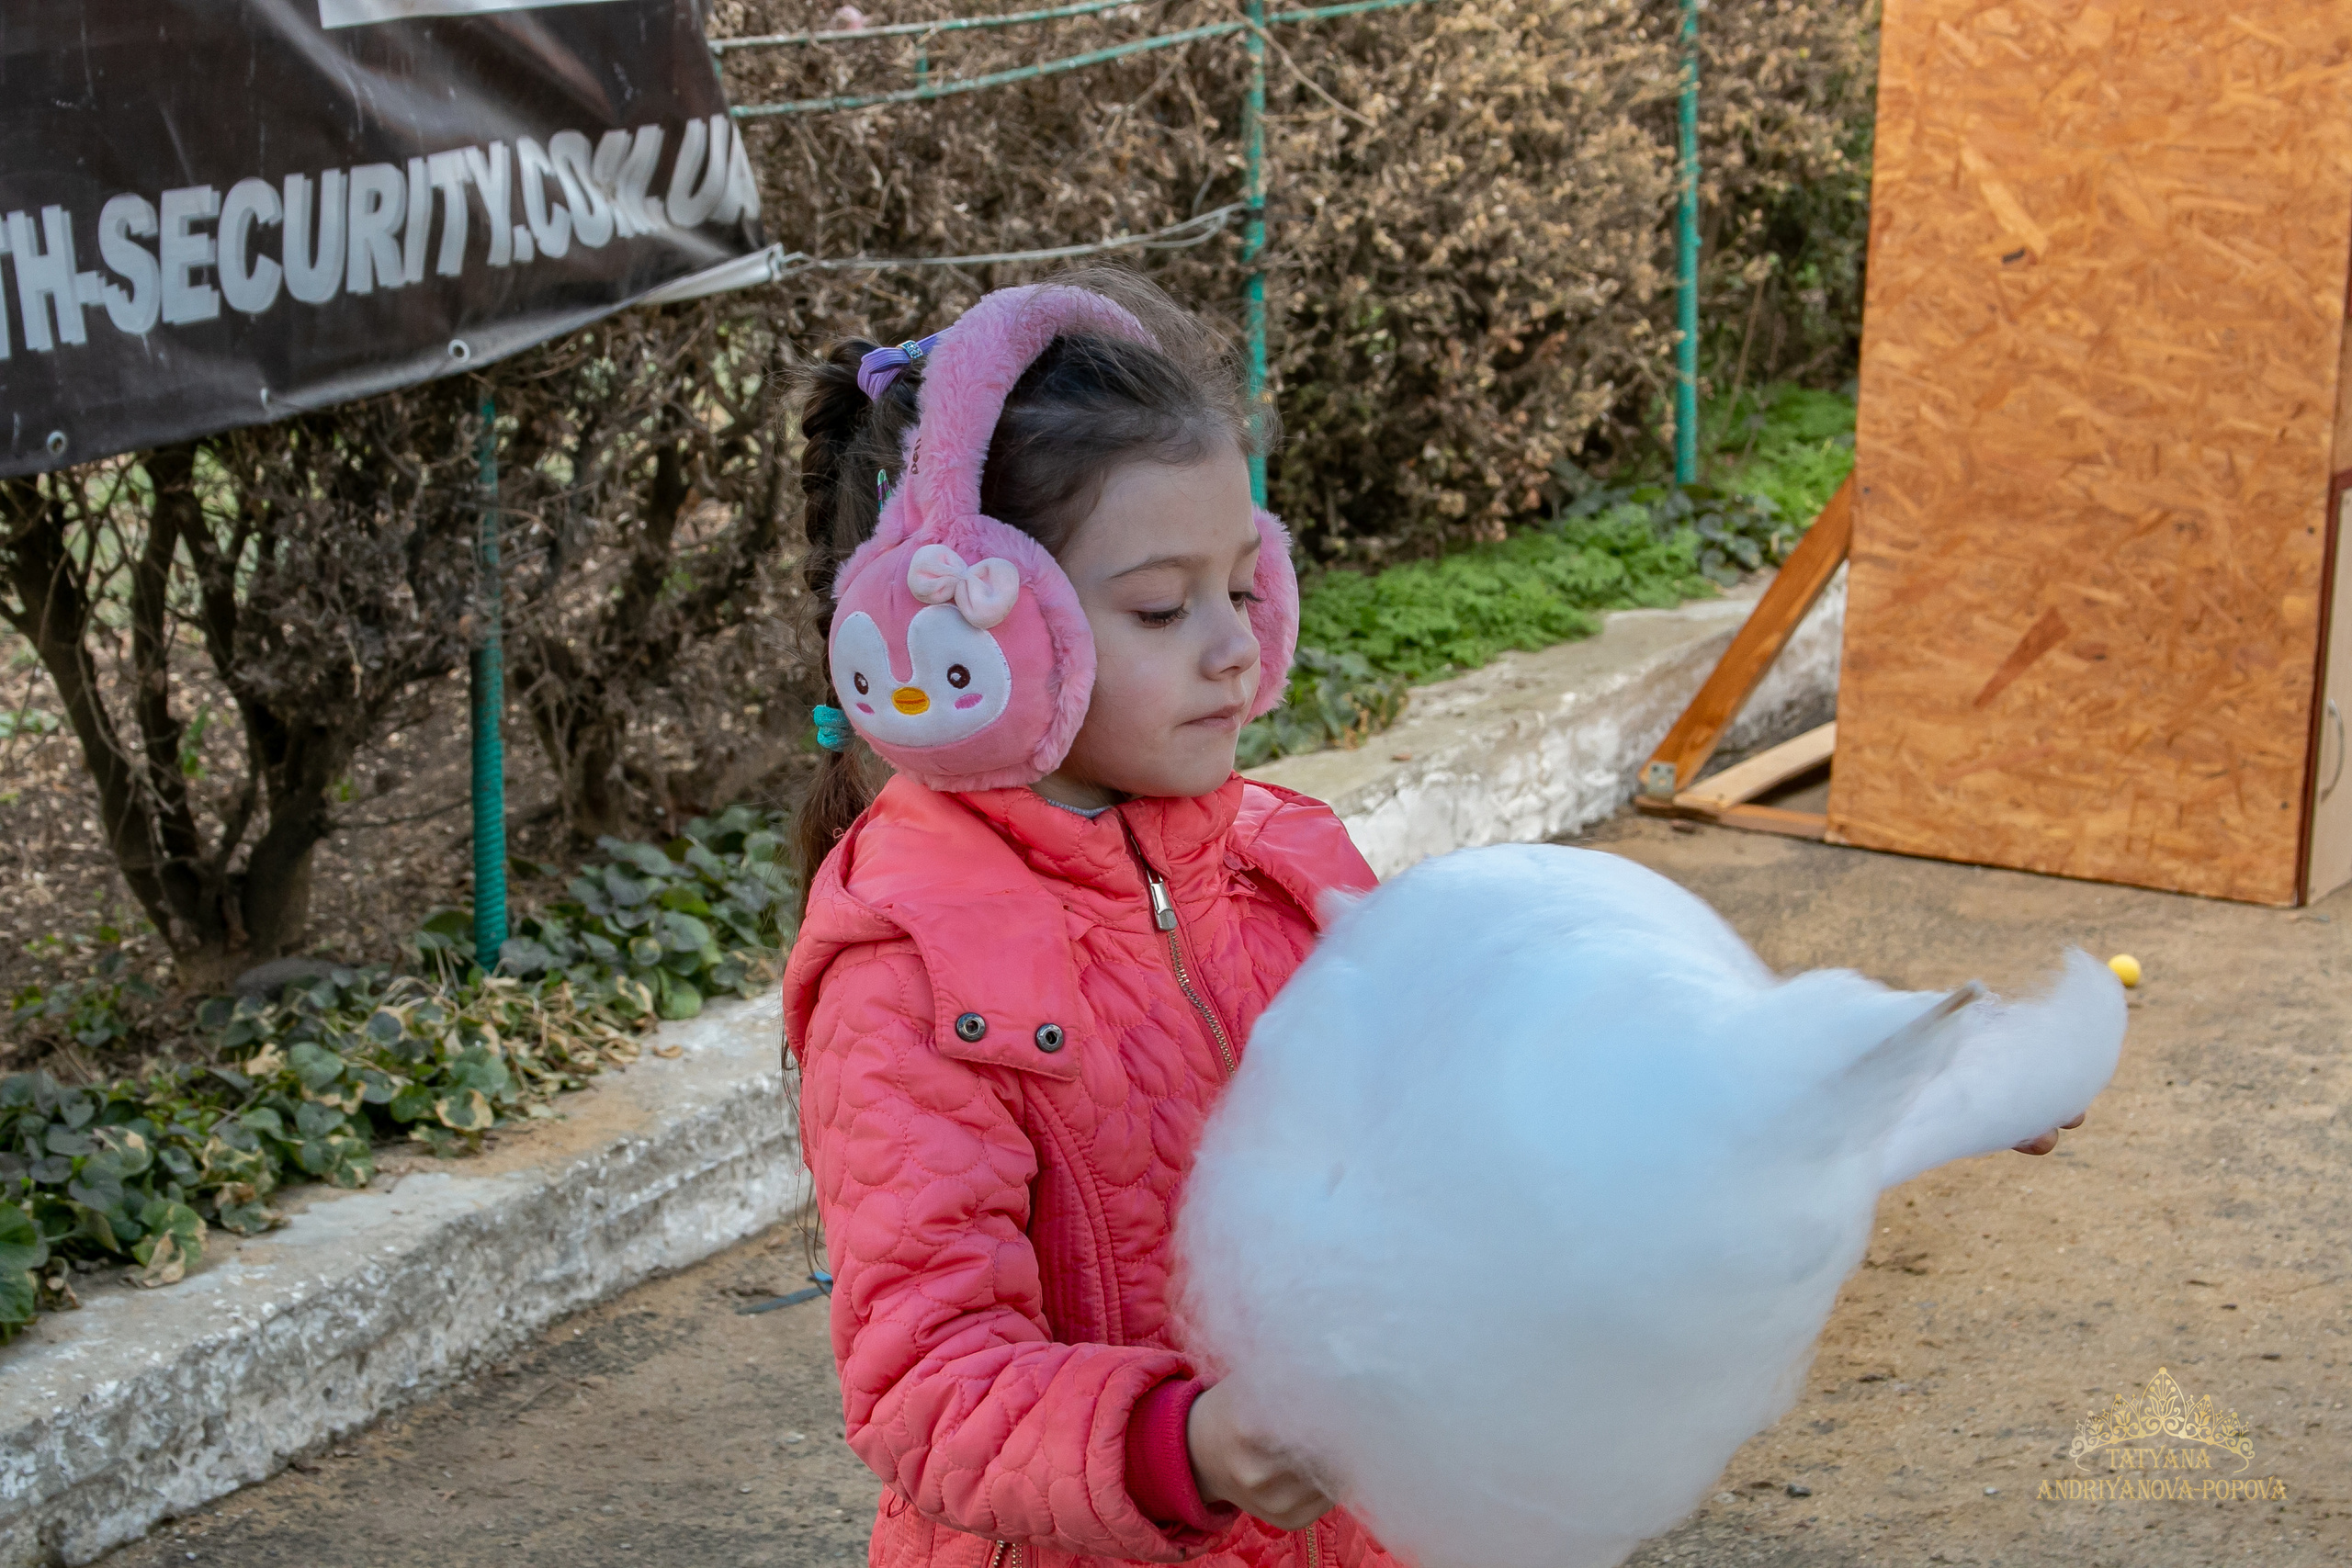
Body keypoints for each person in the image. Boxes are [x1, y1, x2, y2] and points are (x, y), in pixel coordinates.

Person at [781, 268, 1391, 1568]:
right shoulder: (913, 971)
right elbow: (926, 1385)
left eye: (1244, 587)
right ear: (985, 644)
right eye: (1163, 608)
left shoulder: (1285, 862)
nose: (1235, 647)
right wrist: (1184, 1446)